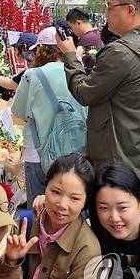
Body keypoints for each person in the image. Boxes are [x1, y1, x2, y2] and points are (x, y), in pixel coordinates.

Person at [57, 0, 140, 211]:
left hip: (128, 164)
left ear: (130, 10)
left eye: (109, 7)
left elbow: (85, 92)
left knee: (123, 236)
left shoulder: (121, 52)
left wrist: (70, 56)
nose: (106, 14)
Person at [0, 153, 101, 279]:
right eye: (56, 192)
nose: (62, 204)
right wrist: (11, 261)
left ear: (85, 201)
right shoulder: (27, 224)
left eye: (74, 198)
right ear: (45, 188)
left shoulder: (87, 250)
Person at [12, 26, 87, 209]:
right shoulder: (81, 74)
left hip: (38, 152)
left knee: (39, 209)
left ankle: (40, 238)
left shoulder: (32, 75)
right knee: (69, 209)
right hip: (74, 153)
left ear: (41, 49)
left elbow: (19, 112)